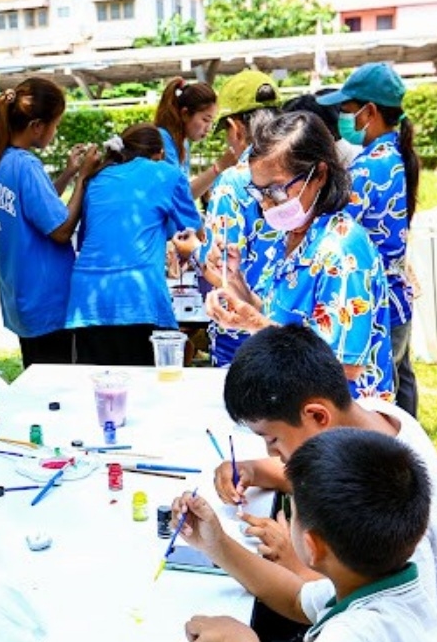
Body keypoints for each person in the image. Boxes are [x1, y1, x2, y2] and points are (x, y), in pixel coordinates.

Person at [208, 324, 437, 642]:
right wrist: (254, 470)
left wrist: (298, 564)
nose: (271, 451)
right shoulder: (371, 418)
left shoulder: (397, 512)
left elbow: (385, 612)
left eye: (272, 439)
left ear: (317, 416)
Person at [179, 428, 437, 642]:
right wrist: (217, 545)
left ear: (312, 546)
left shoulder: (357, 637)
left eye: (294, 513)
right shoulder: (392, 588)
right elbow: (296, 598)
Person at [206, 111, 395, 401]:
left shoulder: (341, 250)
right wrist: (235, 283)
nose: (267, 204)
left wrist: (255, 325)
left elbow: (344, 366)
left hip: (342, 419)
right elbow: (274, 314)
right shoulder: (291, 238)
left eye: (276, 190)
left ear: (319, 175)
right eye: (259, 192)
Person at [320, 63, 422, 417]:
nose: (344, 119)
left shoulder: (368, 167)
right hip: (398, 296)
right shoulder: (395, 155)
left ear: (370, 111)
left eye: (348, 110)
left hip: (379, 303)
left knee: (379, 403)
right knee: (402, 384)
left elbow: (334, 229)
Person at [0, 78, 100, 367]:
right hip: (47, 303)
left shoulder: (1, 160)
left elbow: (38, 207)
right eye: (55, 124)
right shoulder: (26, 164)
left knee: (37, 378)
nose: (55, 131)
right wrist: (83, 179)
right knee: (57, 384)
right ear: (37, 126)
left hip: (22, 300)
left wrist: (69, 174)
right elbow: (60, 230)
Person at [64, 124, 202, 365]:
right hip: (139, 298)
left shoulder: (98, 179)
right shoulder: (167, 174)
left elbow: (90, 240)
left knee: (97, 384)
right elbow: (193, 234)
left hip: (88, 301)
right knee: (149, 381)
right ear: (160, 154)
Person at [198, 70, 281, 366]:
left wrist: (193, 252)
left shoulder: (232, 182)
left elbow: (220, 270)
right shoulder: (300, 173)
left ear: (235, 129)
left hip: (240, 333)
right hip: (291, 327)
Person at [154, 77, 236, 199]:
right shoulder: (162, 140)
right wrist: (219, 167)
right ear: (185, 114)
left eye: (212, 122)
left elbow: (185, 192)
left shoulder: (182, 142)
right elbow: (179, 196)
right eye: (205, 120)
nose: (209, 128)